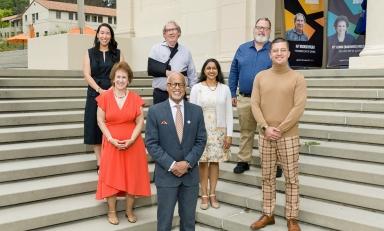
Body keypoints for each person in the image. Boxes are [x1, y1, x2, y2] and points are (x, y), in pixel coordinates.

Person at [250, 38, 307, 231]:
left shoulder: (297, 77)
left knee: (291, 178)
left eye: (283, 50)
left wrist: (280, 129)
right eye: (275, 50)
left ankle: (292, 217)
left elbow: (298, 107)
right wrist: (265, 127)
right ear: (270, 54)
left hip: (288, 136)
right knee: (267, 176)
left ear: (289, 54)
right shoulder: (260, 77)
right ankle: (268, 213)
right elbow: (254, 104)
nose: (279, 53)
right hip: (266, 135)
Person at [145, 72, 207, 231]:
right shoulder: (155, 111)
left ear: (185, 87)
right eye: (173, 84)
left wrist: (187, 163)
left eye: (180, 84)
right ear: (167, 87)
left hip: (190, 176)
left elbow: (201, 141)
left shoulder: (197, 111)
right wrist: (173, 165)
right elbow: (151, 144)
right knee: (164, 223)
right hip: (166, 177)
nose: (177, 88)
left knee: (188, 223)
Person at [95, 61, 151, 225]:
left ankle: (129, 210)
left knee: (131, 177)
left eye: (124, 77)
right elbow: (100, 120)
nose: (120, 80)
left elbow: (140, 122)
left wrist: (132, 139)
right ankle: (112, 212)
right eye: (118, 77)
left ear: (129, 80)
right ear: (113, 79)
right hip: (112, 142)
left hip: (132, 144)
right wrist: (111, 139)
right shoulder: (105, 97)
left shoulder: (135, 98)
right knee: (112, 176)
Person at [228, 18, 276, 174]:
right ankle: (243, 161)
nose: (261, 31)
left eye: (265, 28)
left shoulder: (274, 50)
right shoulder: (242, 49)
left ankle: (273, 163)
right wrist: (232, 92)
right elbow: (234, 71)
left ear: (269, 31)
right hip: (245, 98)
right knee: (246, 131)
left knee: (268, 132)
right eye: (259, 27)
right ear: (254, 29)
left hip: (267, 100)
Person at [190, 58, 233, 210]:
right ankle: (204, 194)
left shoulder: (225, 89)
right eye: (208, 68)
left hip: (219, 130)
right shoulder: (196, 88)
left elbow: (229, 113)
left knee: (214, 162)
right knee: (202, 162)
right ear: (204, 71)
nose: (211, 71)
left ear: (218, 71)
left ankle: (213, 193)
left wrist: (229, 134)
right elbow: (192, 113)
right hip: (201, 130)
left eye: (214, 68)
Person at [83, 23, 124, 173]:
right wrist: (100, 90)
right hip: (95, 92)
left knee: (112, 126)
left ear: (111, 36)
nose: (104, 36)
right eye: (102, 33)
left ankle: (111, 159)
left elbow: (122, 72)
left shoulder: (118, 53)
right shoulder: (89, 52)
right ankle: (100, 163)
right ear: (97, 35)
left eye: (107, 33)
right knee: (95, 126)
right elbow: (87, 74)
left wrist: (112, 89)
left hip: (115, 92)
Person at [147, 20, 197, 104]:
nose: (171, 32)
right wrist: (167, 73)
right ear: (164, 34)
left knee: (180, 117)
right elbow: (151, 68)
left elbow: (192, 74)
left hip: (180, 93)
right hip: (161, 94)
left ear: (179, 33)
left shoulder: (186, 51)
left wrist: (195, 94)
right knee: (161, 117)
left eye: (174, 29)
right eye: (168, 30)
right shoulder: (155, 49)